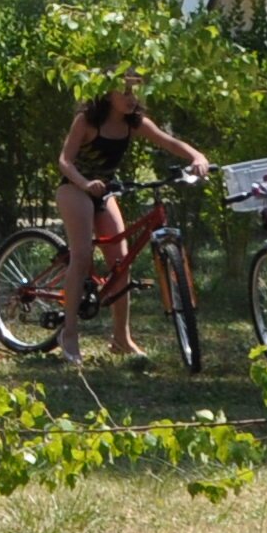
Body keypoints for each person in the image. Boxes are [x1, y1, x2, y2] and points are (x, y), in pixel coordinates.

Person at [54, 75, 210, 365]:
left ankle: (121, 339)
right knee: (82, 256)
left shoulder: (134, 123)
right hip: (74, 189)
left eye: (135, 91)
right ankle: (69, 332)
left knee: (120, 263)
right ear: (107, 94)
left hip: (105, 193)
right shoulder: (87, 120)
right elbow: (65, 161)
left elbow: (169, 142)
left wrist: (196, 156)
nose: (131, 97)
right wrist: (85, 183)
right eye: (124, 92)